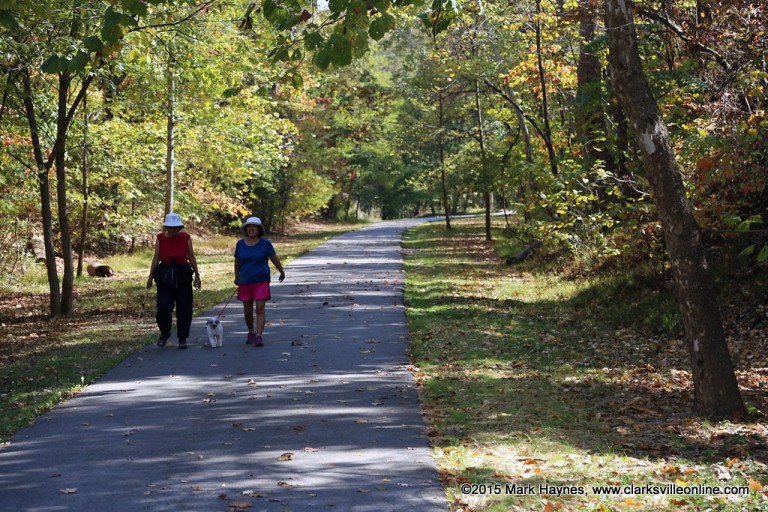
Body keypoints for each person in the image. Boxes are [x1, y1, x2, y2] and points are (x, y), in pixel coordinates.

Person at [146, 213, 201, 349]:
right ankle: (165, 332)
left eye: (176, 227)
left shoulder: (185, 238)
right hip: (165, 273)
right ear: (166, 227)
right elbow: (156, 257)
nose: (173, 230)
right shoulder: (160, 238)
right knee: (163, 308)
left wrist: (197, 276)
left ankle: (182, 337)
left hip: (182, 273)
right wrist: (150, 276)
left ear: (180, 227)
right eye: (170, 227)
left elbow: (191, 257)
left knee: (184, 308)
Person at [234, 216, 285, 347]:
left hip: (261, 280)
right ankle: (251, 331)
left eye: (254, 227)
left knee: (260, 308)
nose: (251, 229)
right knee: (247, 311)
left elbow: (274, 258)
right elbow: (237, 261)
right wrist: (236, 277)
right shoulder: (240, 244)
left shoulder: (265, 244)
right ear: (246, 229)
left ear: (259, 229)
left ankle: (259, 335)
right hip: (245, 281)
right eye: (249, 226)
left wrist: (281, 271)